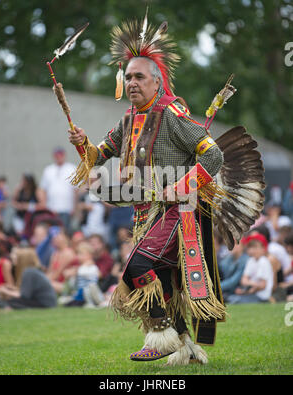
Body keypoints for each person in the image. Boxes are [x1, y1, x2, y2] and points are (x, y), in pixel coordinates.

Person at [67, 13, 264, 365]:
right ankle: (187, 348)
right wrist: (82, 143)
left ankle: (159, 337)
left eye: (139, 77)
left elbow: (213, 155)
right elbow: (98, 158)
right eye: (127, 77)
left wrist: (181, 186)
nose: (131, 83)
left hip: (182, 208)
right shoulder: (127, 121)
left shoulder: (171, 113)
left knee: (136, 268)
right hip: (146, 213)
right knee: (166, 283)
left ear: (156, 82)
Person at [39, 147, 77, 233]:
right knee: (51, 231)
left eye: (61, 155)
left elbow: (76, 190)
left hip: (66, 207)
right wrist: (44, 205)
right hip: (51, 208)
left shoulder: (72, 168)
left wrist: (74, 207)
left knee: (64, 231)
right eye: (57, 155)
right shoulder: (48, 169)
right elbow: (43, 189)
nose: (59, 157)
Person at [228, 234, 273, 304]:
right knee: (230, 298)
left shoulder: (264, 261)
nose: (252, 250)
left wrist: (247, 290)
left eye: (256, 248)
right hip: (252, 293)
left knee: (236, 301)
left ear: (263, 249)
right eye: (250, 247)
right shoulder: (251, 260)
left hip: (261, 296)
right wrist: (248, 288)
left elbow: (262, 285)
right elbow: (243, 280)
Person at [65, 241, 103, 307]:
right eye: (78, 254)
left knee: (91, 288)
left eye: (81, 254)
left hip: (90, 292)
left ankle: (97, 301)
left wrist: (82, 266)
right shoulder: (81, 267)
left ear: (90, 255)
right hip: (82, 292)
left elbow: (97, 275)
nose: (78, 256)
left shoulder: (92, 267)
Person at [46, 229, 76, 294]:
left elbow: (57, 273)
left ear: (66, 238)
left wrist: (43, 280)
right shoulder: (55, 253)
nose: (55, 238)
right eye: (55, 237)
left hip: (64, 285)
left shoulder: (68, 253)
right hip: (54, 282)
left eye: (59, 236)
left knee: (45, 284)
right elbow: (50, 271)